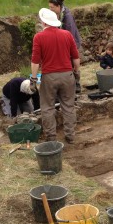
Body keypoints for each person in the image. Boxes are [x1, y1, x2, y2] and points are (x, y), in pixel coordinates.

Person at [31, 8, 80, 143]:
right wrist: (76, 72)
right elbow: (76, 57)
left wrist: (33, 79)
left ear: (43, 22)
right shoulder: (67, 35)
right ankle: (70, 136)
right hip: (67, 75)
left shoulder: (39, 37)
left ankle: (51, 137)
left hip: (49, 76)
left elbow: (35, 62)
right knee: (68, 106)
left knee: (47, 107)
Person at [48, 0, 82, 93]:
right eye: (49, 7)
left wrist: (65, 49)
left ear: (59, 6)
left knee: (72, 64)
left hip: (72, 43)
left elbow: (69, 35)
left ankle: (76, 83)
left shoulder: (67, 17)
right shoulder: (58, 14)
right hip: (64, 43)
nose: (50, 9)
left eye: (52, 7)